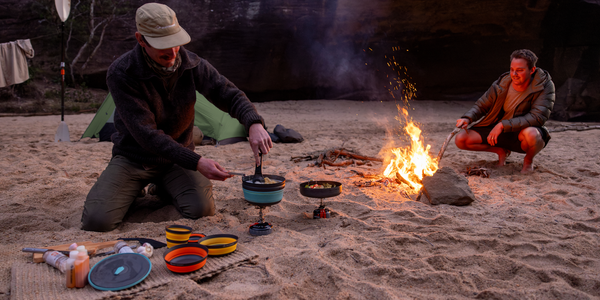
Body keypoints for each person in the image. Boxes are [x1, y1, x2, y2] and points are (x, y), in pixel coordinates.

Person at [81, 3, 272, 232]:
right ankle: (134, 187)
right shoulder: (122, 72)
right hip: (134, 159)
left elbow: (228, 94)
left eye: (175, 42)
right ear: (141, 40)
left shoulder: (191, 63)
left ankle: (162, 187)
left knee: (201, 209)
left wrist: (254, 123)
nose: (172, 53)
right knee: (97, 221)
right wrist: (197, 162)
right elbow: (146, 134)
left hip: (176, 160)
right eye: (163, 45)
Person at [454, 49, 555, 173]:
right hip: (498, 129)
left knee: (533, 135)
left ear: (532, 70)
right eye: (512, 69)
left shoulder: (544, 85)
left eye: (520, 70)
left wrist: (503, 125)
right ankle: (501, 151)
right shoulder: (503, 82)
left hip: (521, 133)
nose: (514, 74)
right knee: (461, 139)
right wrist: (467, 118)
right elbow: (482, 105)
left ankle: (528, 161)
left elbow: (538, 117)